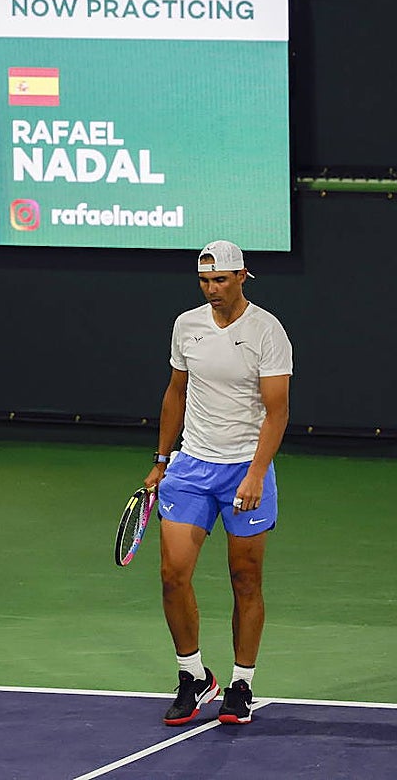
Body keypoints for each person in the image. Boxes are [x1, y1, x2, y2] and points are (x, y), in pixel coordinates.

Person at [143, 240, 293, 727]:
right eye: (205, 281)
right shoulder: (186, 326)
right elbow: (176, 392)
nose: (212, 289)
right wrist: (161, 460)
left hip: (244, 470)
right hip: (190, 468)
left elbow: (277, 411)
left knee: (245, 579)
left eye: (221, 280)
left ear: (242, 276)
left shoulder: (267, 331)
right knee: (172, 575)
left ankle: (242, 683)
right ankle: (193, 675)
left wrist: (254, 473)